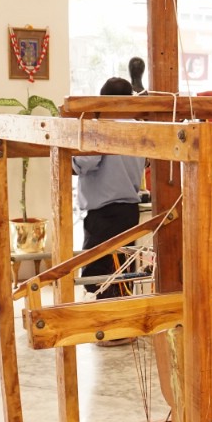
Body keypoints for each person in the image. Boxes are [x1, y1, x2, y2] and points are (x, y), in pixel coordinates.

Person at [72, 77, 148, 332]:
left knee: (99, 271)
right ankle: (125, 325)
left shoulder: (102, 128)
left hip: (104, 211)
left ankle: (110, 328)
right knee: (124, 267)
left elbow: (84, 163)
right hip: (129, 210)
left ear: (103, 100)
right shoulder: (140, 129)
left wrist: (68, 155)